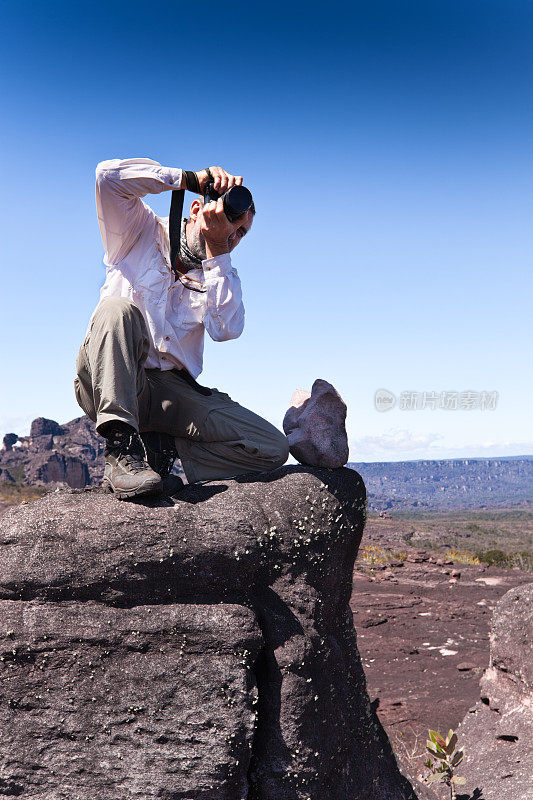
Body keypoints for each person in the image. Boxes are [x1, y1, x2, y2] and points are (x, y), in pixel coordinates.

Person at [74, 157, 289, 499]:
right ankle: (121, 450)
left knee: (271, 448)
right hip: (110, 379)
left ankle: (165, 450)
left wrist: (217, 252)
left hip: (172, 395)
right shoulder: (138, 231)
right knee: (117, 309)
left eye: (241, 232)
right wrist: (188, 178)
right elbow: (107, 176)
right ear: (195, 209)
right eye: (230, 220)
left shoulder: (220, 275)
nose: (233, 234)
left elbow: (227, 329)